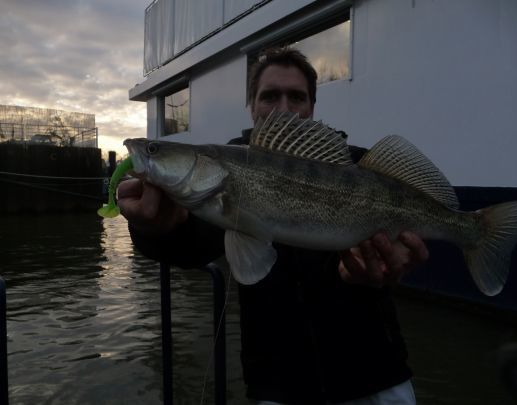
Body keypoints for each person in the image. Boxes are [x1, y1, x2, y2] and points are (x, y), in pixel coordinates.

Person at [118, 47, 429, 405]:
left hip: (375, 376)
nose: (283, 107)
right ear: (252, 105)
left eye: (296, 96)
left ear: (312, 106)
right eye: (269, 96)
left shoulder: (357, 166)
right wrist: (154, 229)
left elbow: (401, 245)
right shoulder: (224, 173)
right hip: (279, 386)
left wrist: (390, 264)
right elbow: (190, 243)